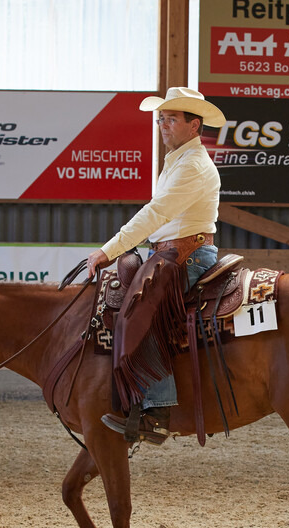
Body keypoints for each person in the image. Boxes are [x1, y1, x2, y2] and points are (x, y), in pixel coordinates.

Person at [85, 86, 225, 445]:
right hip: (170, 253)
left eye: (172, 118)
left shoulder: (192, 165)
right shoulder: (177, 161)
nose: (163, 124)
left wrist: (110, 249)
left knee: (143, 314)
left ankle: (158, 412)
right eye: (161, 118)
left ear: (194, 126)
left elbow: (157, 213)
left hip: (186, 256)